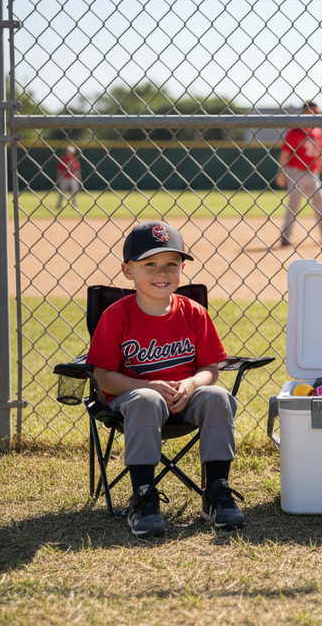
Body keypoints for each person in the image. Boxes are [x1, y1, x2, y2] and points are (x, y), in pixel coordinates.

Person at [86, 221, 247, 537]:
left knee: (216, 395)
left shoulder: (193, 312)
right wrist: (148, 386)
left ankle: (216, 493)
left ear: (181, 269)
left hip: (186, 399)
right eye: (150, 265)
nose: (162, 273)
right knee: (147, 400)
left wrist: (190, 384)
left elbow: (210, 369)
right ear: (127, 271)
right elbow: (103, 376)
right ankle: (143, 497)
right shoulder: (116, 316)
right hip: (135, 400)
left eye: (171, 265)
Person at [274, 100, 322, 247]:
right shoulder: (294, 131)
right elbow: (285, 153)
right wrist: (281, 172)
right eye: (315, 113)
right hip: (296, 171)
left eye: (318, 113)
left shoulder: (317, 130)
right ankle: (286, 237)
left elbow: (321, 152)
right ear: (306, 112)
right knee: (294, 204)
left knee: (320, 202)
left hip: (313, 172)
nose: (317, 116)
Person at [55, 145, 82, 210]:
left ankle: (74, 204)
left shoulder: (74, 159)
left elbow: (77, 169)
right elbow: (59, 169)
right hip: (65, 178)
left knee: (74, 192)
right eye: (68, 151)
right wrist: (59, 178)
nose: (69, 152)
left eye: (70, 151)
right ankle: (59, 204)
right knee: (62, 192)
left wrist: (79, 178)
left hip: (73, 178)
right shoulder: (63, 159)